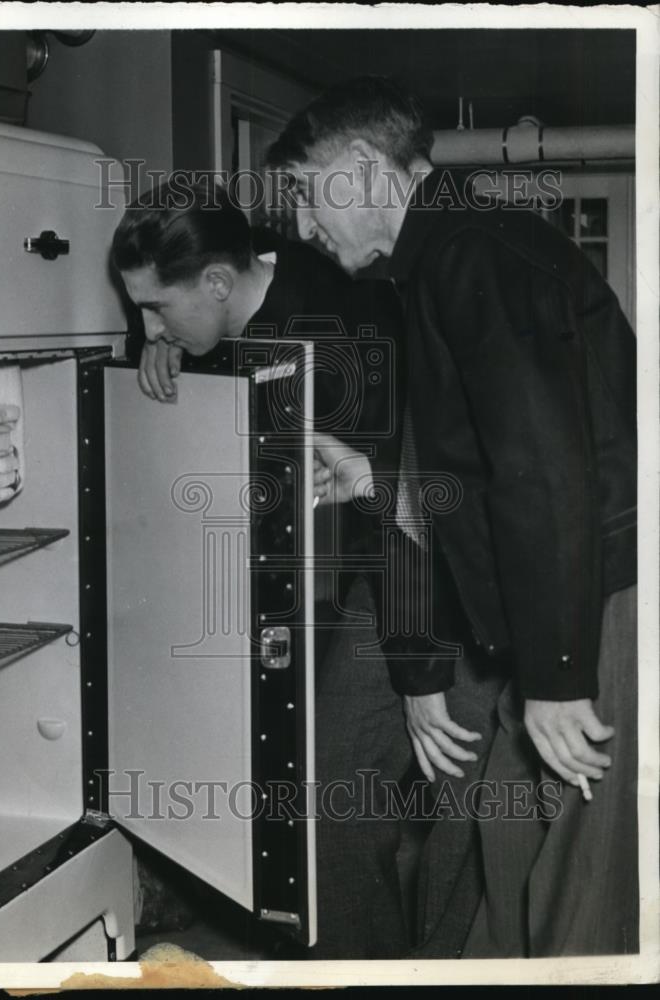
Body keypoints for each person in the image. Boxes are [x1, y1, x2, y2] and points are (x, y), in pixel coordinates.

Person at [266, 75, 638, 957]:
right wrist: (373, 472)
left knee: (584, 887)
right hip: (571, 598)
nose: (301, 223)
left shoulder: (474, 253)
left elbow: (543, 470)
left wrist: (554, 676)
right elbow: (486, 464)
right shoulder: (452, 258)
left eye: (304, 193)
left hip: (605, 602)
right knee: (508, 843)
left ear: (362, 171)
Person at [111, 179, 424, 958]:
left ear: (218, 281)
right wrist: (157, 344)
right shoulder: (230, 301)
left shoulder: (340, 325)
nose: (145, 323)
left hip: (414, 574)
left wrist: (419, 677)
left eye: (156, 307)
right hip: (330, 577)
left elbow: (406, 513)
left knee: (343, 796)